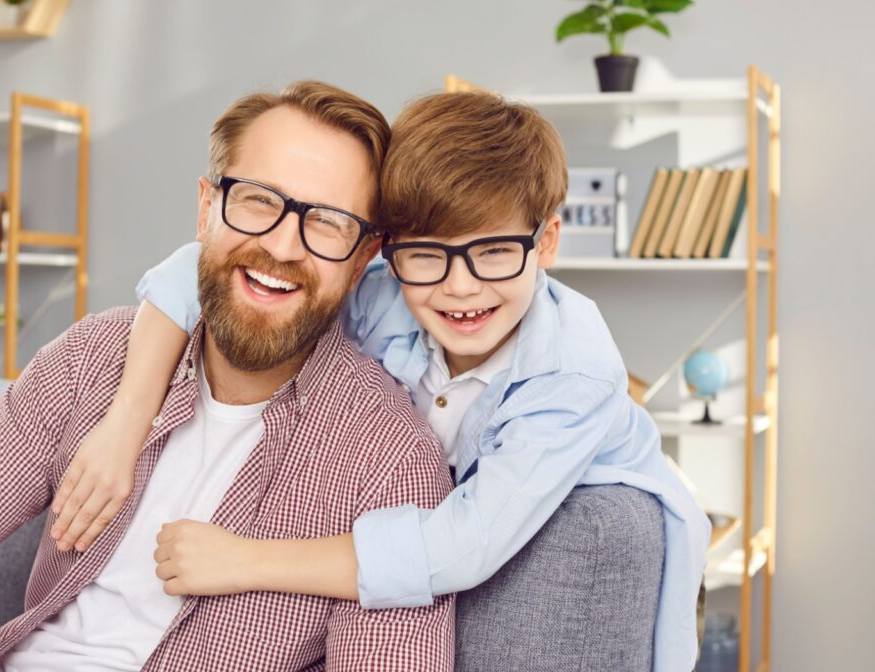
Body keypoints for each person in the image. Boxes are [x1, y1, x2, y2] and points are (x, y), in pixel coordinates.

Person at [55, 91, 711, 671]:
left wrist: (244, 560)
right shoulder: (383, 292)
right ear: (386, 253)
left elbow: (464, 545)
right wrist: (124, 425)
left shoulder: (573, 371)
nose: (460, 287)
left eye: (494, 253)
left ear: (547, 245)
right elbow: (190, 272)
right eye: (426, 255)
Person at [0, 81, 456, 672]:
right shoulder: (93, 358)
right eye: (257, 200)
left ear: (362, 260)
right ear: (206, 209)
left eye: (327, 222)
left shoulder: (390, 459)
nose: (281, 245)